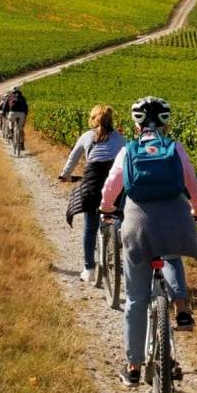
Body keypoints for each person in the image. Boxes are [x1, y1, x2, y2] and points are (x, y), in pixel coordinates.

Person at [100, 96, 197, 387]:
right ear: (165, 124)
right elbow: (192, 184)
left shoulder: (128, 150)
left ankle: (133, 367)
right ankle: (181, 309)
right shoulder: (175, 148)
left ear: (137, 125)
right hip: (175, 220)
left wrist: (106, 208)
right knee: (171, 255)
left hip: (137, 225)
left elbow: (111, 186)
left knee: (136, 298)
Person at [59, 105, 126, 283]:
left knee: (90, 229)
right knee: (119, 216)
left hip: (93, 185)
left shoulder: (87, 136)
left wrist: (65, 175)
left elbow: (73, 158)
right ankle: (121, 244)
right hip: (116, 185)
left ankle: (89, 269)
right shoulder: (120, 138)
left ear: (92, 119)